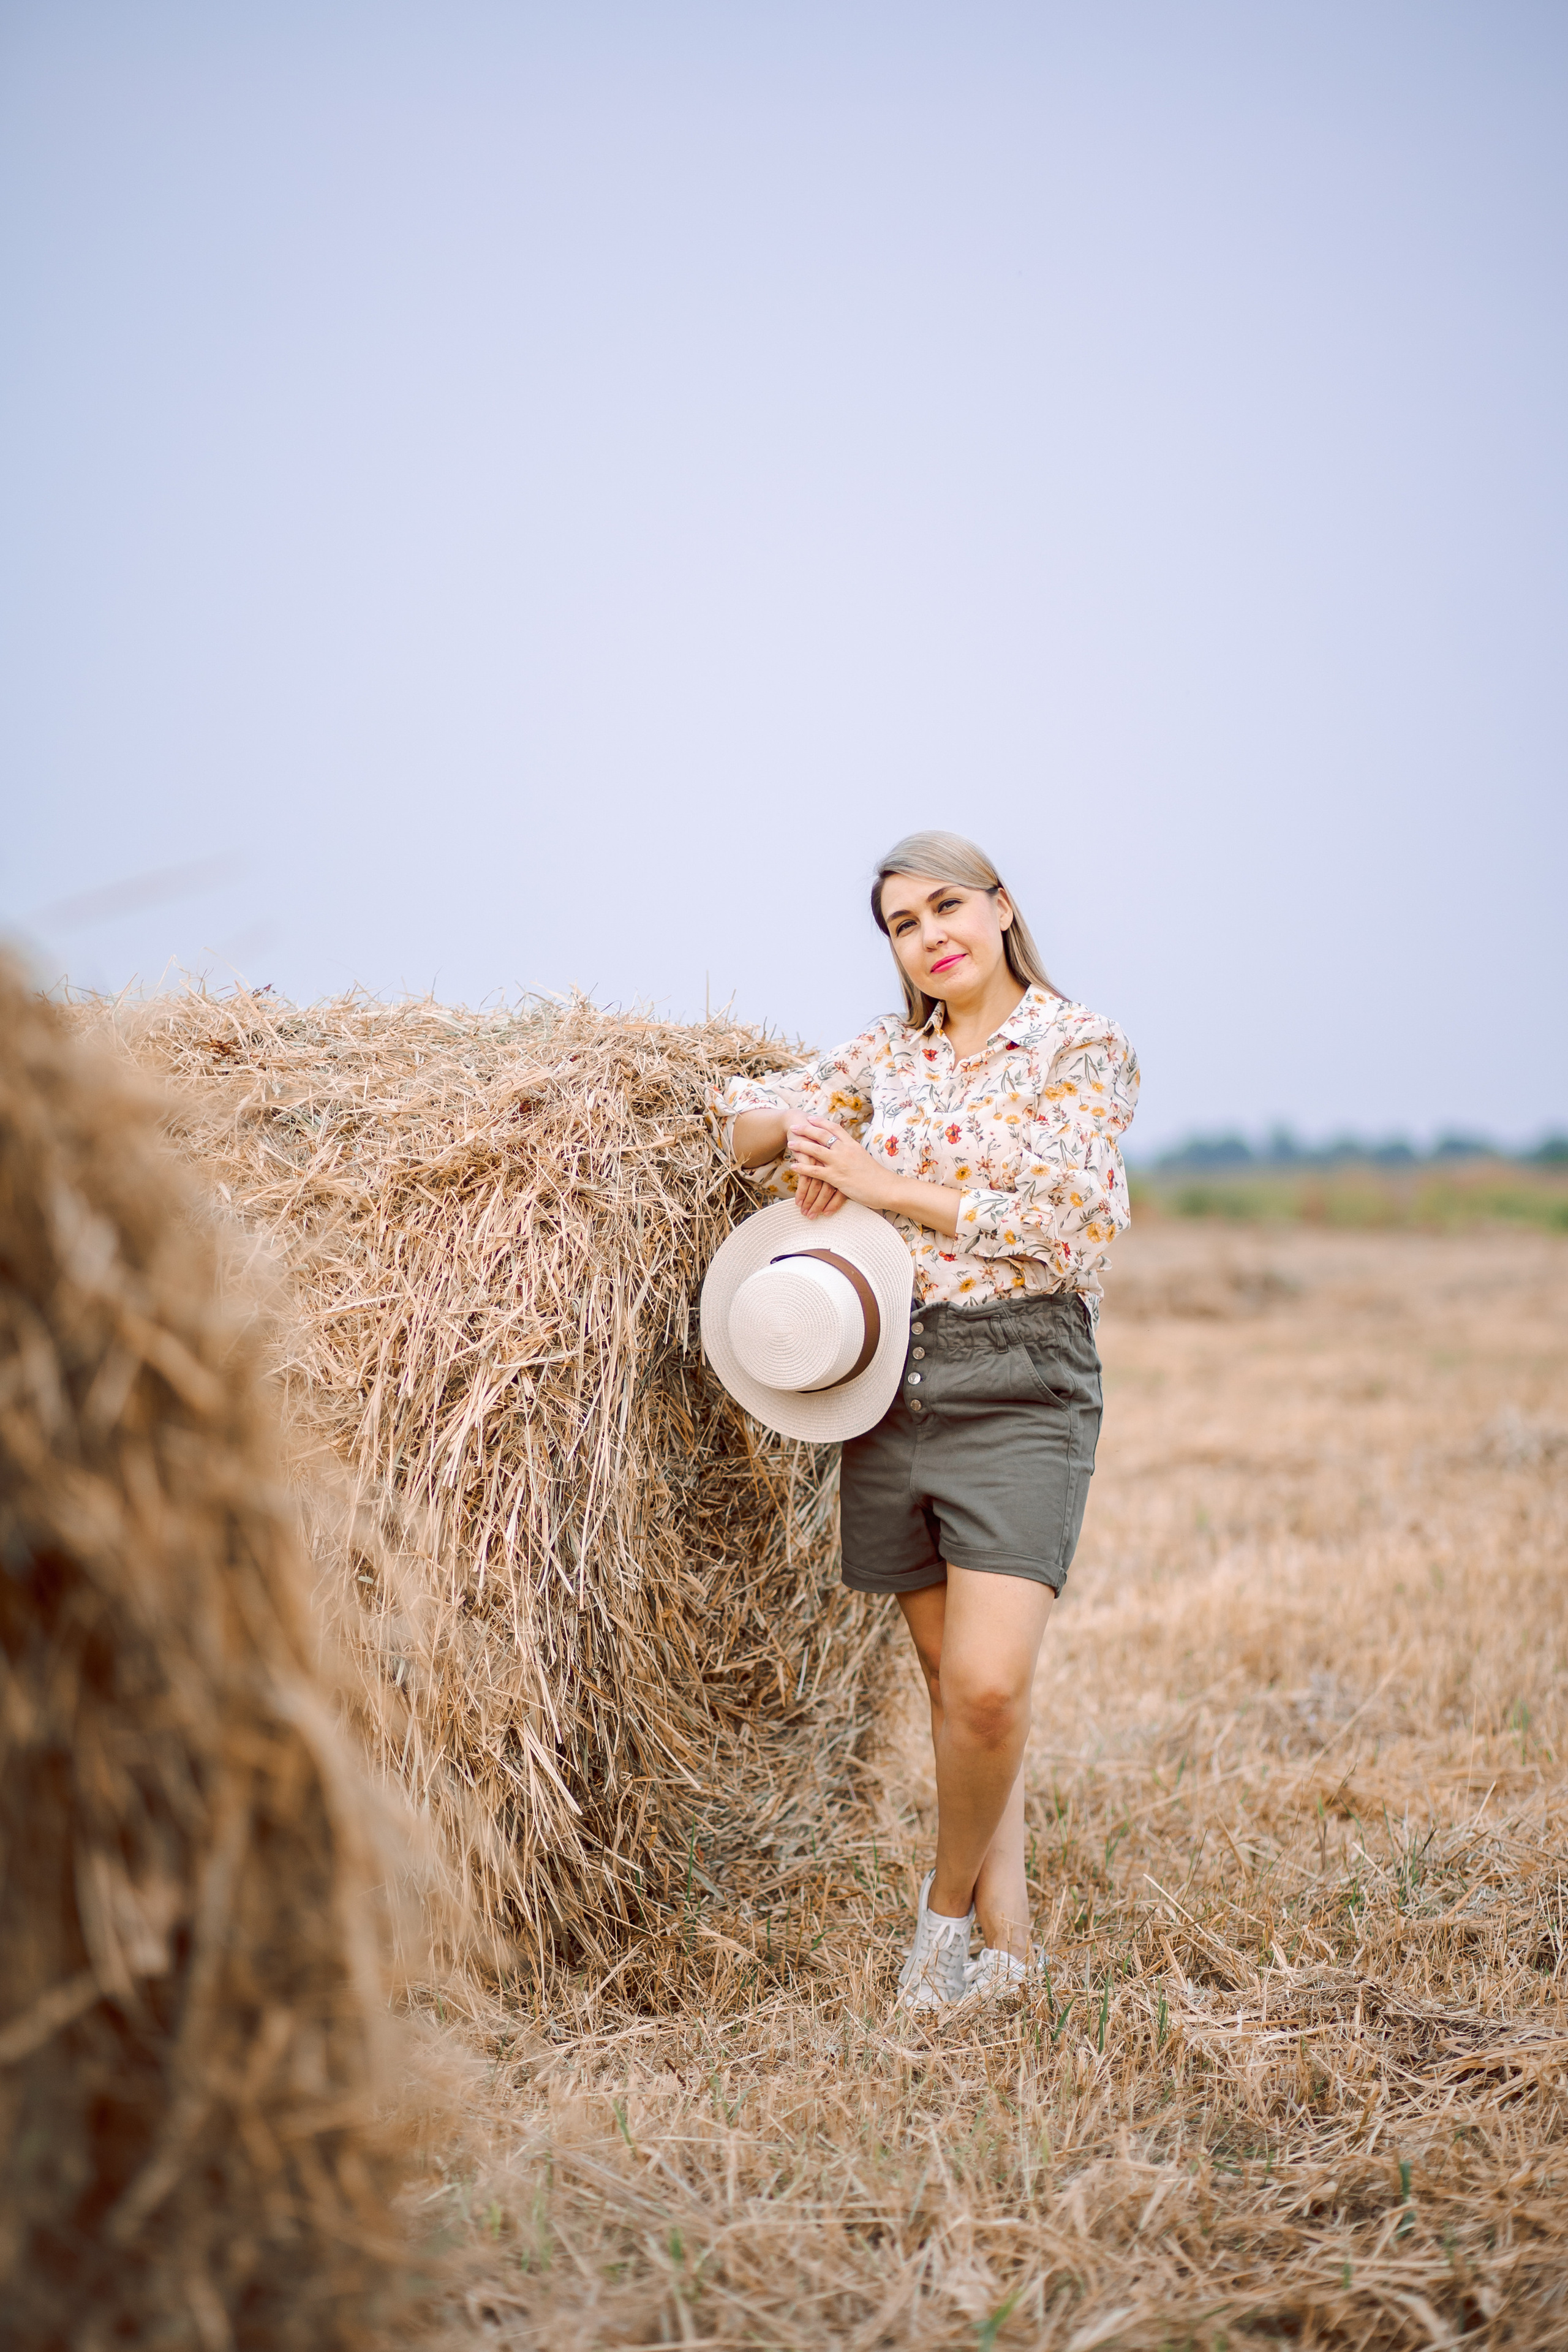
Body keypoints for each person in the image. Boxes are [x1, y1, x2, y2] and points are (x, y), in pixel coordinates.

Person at [714, 830, 1138, 2010]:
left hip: (1022, 1371)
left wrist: (878, 1181)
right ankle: (1009, 1946)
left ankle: (938, 1925)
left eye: (946, 906)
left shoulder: (1078, 1046)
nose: (929, 936)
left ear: (1001, 909)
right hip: (889, 1384)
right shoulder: (882, 1060)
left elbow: (1069, 1227)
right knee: (956, 1686)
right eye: (903, 924)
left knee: (992, 1687)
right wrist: (800, 1134)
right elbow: (737, 1120)